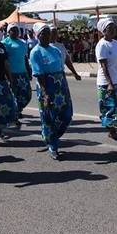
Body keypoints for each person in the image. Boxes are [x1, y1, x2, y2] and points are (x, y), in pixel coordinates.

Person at [29, 23, 73, 160]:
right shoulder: (35, 52)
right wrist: (45, 94)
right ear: (38, 36)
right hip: (47, 87)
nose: (47, 36)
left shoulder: (55, 49)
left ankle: (50, 137)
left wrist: (65, 87)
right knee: (50, 118)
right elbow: (39, 75)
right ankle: (53, 145)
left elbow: (61, 69)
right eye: (44, 33)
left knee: (67, 114)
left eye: (48, 33)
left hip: (61, 86)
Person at [2, 23, 32, 127]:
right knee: (13, 96)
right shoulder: (5, 43)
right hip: (11, 74)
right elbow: (3, 60)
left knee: (27, 95)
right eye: (13, 30)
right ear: (8, 32)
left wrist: (29, 71)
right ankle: (14, 116)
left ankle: (18, 110)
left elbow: (25, 58)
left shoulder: (23, 43)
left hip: (22, 73)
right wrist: (6, 75)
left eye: (17, 30)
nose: (15, 32)